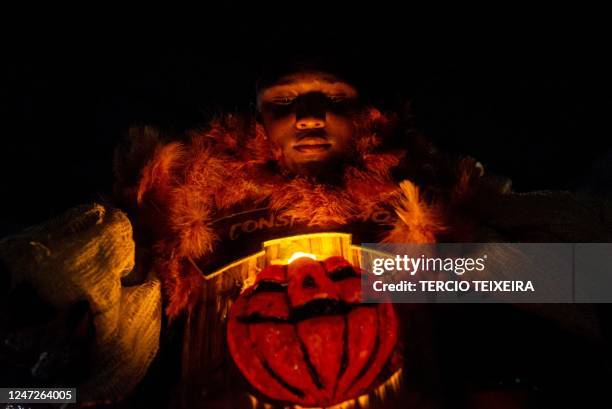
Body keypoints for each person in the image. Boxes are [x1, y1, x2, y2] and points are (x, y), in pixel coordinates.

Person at [1, 57, 611, 408]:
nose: (309, 115)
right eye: (284, 99)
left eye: (332, 97)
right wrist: (36, 391)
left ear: (370, 112)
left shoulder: (416, 195)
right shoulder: (188, 205)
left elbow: (570, 277)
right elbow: (78, 363)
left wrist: (475, 254)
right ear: (256, 111)